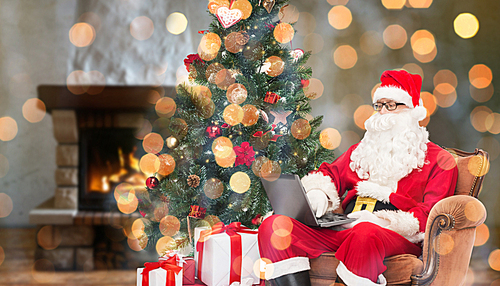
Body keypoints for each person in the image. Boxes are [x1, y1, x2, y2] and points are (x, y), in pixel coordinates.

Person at [258, 70, 458, 286]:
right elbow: (329, 174)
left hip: (393, 235)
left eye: (391, 105)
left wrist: (380, 221)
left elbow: (430, 214)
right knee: (274, 225)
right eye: (379, 105)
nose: (382, 113)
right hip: (347, 227)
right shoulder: (362, 151)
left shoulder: (440, 160)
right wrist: (317, 194)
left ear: (411, 111)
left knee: (364, 233)